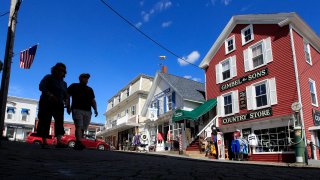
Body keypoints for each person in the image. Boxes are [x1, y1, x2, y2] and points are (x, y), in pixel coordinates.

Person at [37, 62, 70, 149]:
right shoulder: (48, 77)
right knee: (45, 120)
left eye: (63, 71)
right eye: (59, 70)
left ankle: (59, 142)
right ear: (54, 70)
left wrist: (67, 102)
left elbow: (66, 95)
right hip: (46, 102)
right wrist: (50, 95)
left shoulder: (64, 83)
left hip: (59, 104)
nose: (60, 72)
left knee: (59, 122)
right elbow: (41, 87)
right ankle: (44, 141)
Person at [67, 73, 98, 150]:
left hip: (88, 111)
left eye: (87, 78)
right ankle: (78, 142)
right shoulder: (74, 86)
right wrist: (68, 106)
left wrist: (95, 110)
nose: (86, 80)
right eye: (85, 78)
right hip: (77, 109)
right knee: (79, 126)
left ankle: (79, 142)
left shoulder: (90, 89)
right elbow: (67, 96)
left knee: (83, 128)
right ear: (80, 78)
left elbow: (93, 101)